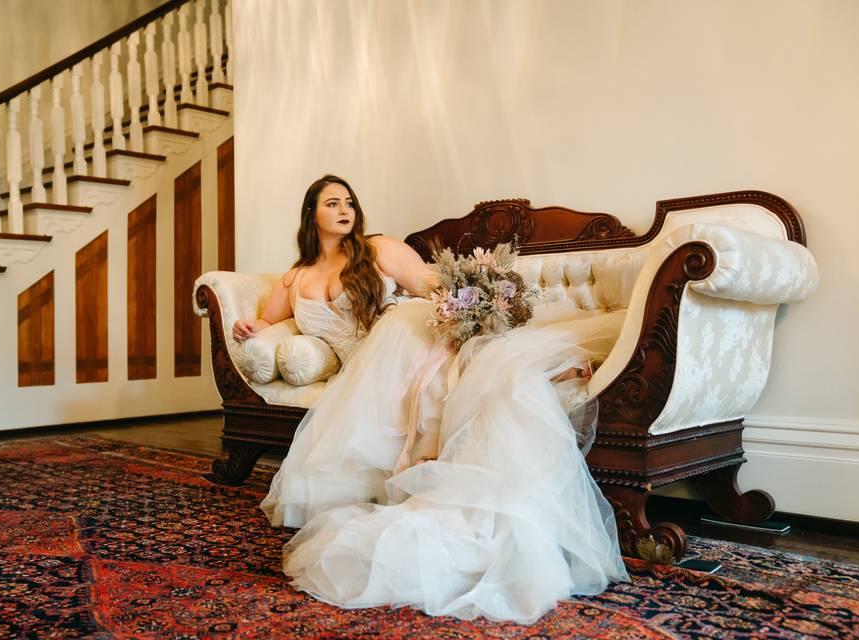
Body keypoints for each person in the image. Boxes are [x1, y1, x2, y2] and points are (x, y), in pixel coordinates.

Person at [233, 175, 629, 624]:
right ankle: (536, 375)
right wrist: (253, 329)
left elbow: (430, 284)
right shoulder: (295, 277)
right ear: (312, 214)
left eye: (349, 202)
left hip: (406, 334)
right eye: (331, 203)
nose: (344, 210)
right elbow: (266, 322)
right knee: (454, 379)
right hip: (365, 365)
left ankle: (540, 367)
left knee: (466, 367)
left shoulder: (375, 247)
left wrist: (472, 305)